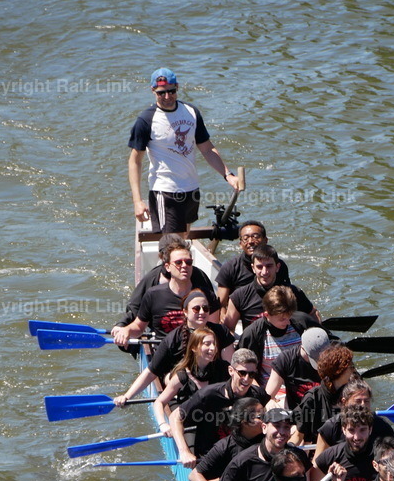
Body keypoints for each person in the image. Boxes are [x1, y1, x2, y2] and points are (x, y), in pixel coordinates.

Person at [128, 67, 240, 233]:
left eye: (171, 91)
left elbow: (207, 149)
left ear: (177, 87)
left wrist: (228, 175)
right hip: (164, 190)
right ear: (153, 91)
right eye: (161, 93)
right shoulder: (146, 120)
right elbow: (135, 161)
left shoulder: (191, 112)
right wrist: (137, 201)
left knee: (184, 237)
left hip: (191, 189)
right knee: (172, 245)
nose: (167, 96)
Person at [113, 291, 234, 405]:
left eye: (206, 308)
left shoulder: (220, 331)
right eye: (196, 309)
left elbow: (231, 367)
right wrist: (127, 396)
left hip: (213, 382)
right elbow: (151, 372)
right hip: (182, 388)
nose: (202, 312)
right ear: (185, 312)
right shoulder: (173, 338)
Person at [207, 408, 311, 481]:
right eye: (277, 426)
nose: (282, 432)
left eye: (287, 427)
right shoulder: (243, 461)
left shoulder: (298, 456)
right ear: (264, 427)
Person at [172, 349, 269, 466]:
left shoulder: (258, 395)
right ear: (231, 371)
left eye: (251, 374)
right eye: (242, 373)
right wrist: (184, 452)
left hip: (243, 457)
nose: (247, 379)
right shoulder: (207, 395)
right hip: (210, 458)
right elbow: (175, 417)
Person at [111, 234, 219, 339]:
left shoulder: (201, 280)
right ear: (165, 263)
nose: (184, 266)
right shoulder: (152, 285)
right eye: (178, 263)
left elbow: (214, 326)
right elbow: (135, 311)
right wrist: (124, 327)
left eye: (188, 262)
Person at [150, 328, 230, 433]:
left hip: (215, 421)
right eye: (207, 344)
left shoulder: (223, 368)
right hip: (190, 425)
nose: (213, 348)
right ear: (193, 347)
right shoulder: (182, 376)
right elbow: (159, 402)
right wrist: (163, 424)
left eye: (214, 344)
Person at [235, 286, 317, 388]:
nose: (288, 322)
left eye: (289, 316)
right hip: (272, 392)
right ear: (267, 315)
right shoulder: (252, 334)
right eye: (282, 319)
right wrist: (263, 397)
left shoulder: (302, 321)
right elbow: (243, 371)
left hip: (305, 386)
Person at [223, 243, 318, 330]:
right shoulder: (239, 296)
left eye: (269, 266)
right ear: (253, 268)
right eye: (259, 267)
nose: (264, 272)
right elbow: (228, 329)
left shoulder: (293, 292)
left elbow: (313, 314)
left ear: (277, 267)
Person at [188, 397, 265, 481]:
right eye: (260, 417)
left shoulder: (269, 438)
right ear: (244, 422)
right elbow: (194, 475)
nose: (267, 419)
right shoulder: (224, 446)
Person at [215, 220, 291, 312]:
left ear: (265, 240)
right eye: (246, 238)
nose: (250, 241)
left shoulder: (279, 265)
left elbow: (287, 295)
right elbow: (221, 305)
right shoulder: (230, 267)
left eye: (255, 237)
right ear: (240, 244)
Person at [313, 378, 394, 460]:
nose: (363, 405)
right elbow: (317, 462)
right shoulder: (330, 427)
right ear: (344, 402)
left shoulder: (382, 427)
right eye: (358, 401)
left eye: (366, 401)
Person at [293, 344, 357, 443]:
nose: (354, 369)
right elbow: (299, 435)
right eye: (351, 366)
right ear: (339, 371)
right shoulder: (312, 399)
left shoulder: (355, 394)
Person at [313, 405, 378, 481]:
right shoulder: (332, 455)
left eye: (362, 430)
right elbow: (315, 476)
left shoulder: (380, 455)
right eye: (351, 430)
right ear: (343, 430)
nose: (357, 437)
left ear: (370, 430)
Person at [265, 327, 332, 410]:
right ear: (302, 348)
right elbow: (268, 396)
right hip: (296, 413)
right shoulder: (286, 359)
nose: (320, 363)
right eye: (315, 359)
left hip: (325, 410)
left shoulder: (334, 359)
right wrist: (270, 402)